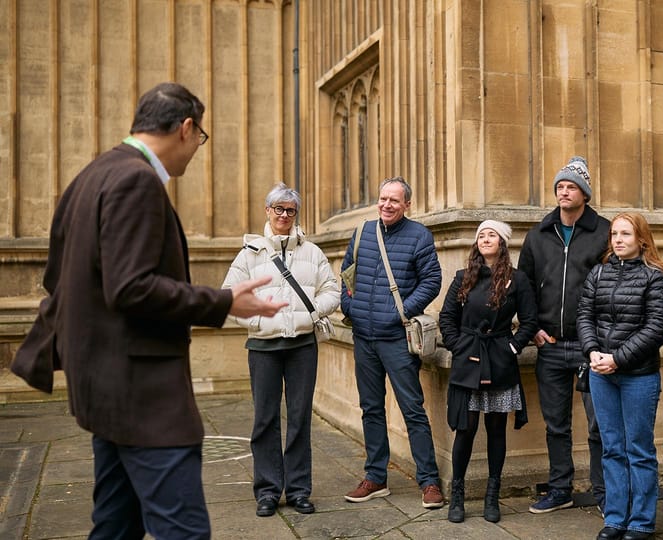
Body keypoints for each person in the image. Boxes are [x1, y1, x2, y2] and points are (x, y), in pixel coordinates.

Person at [11, 82, 287, 539]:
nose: (197, 150)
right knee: (184, 532)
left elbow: (57, 277)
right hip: (144, 397)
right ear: (185, 128)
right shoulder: (136, 180)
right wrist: (224, 301)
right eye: (200, 139)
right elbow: (130, 287)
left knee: (116, 527)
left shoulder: (92, 174)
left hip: (104, 387)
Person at [221, 183, 340, 518]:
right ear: (267, 211)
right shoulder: (249, 254)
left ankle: (300, 490)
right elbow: (228, 296)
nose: (285, 215)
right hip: (263, 346)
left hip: (302, 345)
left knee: (300, 419)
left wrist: (313, 312)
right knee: (265, 419)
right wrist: (260, 317)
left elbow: (331, 288)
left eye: (291, 210)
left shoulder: (312, 252)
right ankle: (268, 492)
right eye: (279, 209)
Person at [340, 176, 445, 509]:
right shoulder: (361, 233)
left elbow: (432, 281)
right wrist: (349, 306)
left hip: (398, 340)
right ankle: (375, 478)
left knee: (412, 410)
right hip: (363, 338)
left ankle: (429, 482)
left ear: (407, 205)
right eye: (383, 199)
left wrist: (401, 313)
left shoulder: (420, 236)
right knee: (371, 409)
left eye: (394, 201)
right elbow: (347, 273)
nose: (387, 205)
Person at [518, 156, 611, 514]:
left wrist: (603, 336)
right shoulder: (538, 235)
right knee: (556, 425)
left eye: (571, 186)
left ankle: (604, 493)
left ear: (585, 193)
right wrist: (533, 329)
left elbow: (615, 284)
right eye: (559, 186)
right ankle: (560, 489)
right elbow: (523, 286)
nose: (563, 191)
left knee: (599, 427)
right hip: (551, 345)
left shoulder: (604, 232)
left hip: (593, 347)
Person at [577, 212, 663, 540]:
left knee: (638, 448)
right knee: (612, 447)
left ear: (641, 240)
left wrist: (617, 359)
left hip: (638, 376)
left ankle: (641, 522)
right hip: (600, 373)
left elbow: (657, 328)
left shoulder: (655, 277)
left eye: (626, 234)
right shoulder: (598, 273)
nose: (618, 240)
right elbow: (584, 315)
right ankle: (616, 518)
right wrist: (592, 352)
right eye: (615, 234)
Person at [438, 220, 538, 524]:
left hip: (499, 361)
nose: (485, 238)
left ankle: (492, 496)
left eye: (491, 234)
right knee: (465, 430)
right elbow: (446, 318)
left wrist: (511, 348)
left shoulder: (517, 280)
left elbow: (531, 321)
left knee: (496, 430)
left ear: (503, 243)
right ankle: (457, 494)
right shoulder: (462, 278)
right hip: (468, 360)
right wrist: (458, 346)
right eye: (481, 235)